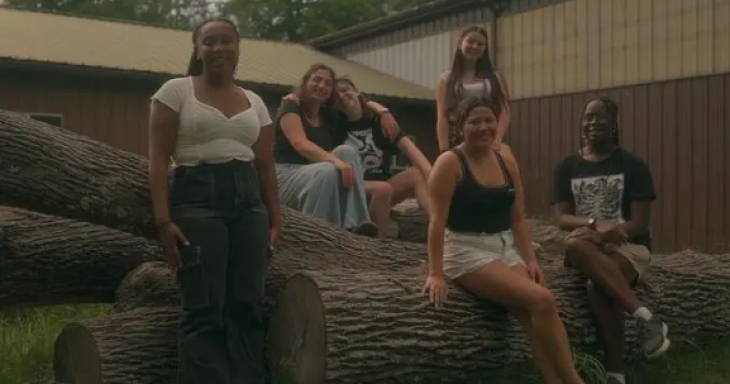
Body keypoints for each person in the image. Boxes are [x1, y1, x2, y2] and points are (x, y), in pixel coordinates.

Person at [147, 18, 281, 384]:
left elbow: (266, 166)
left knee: (247, 304)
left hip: (249, 202)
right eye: (209, 42)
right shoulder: (175, 91)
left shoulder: (255, 102)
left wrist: (275, 220)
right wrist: (163, 221)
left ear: (238, 47)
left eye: (225, 41)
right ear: (197, 48)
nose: (218, 48)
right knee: (205, 306)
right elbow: (158, 159)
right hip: (197, 198)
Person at [423, 95, 585, 384]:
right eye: (475, 122)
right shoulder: (450, 163)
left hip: (505, 247)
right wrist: (435, 273)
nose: (484, 127)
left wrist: (530, 258)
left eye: (489, 120)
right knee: (542, 299)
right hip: (465, 251)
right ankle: (575, 381)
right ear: (461, 126)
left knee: (531, 314)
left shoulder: (505, 158)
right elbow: (436, 223)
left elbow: (517, 219)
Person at [551, 97, 670, 384]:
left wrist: (611, 233)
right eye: (588, 118)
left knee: (598, 287)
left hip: (630, 246)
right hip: (587, 245)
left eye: (600, 118)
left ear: (613, 124)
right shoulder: (567, 165)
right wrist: (595, 226)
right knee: (574, 244)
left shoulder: (633, 165)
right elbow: (562, 218)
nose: (593, 124)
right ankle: (646, 319)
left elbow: (640, 222)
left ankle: (615, 375)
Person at [274, 63, 378, 236]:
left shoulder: (328, 115)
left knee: (347, 152)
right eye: (317, 80)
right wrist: (336, 162)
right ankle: (317, 235)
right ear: (305, 82)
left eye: (328, 84)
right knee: (328, 170)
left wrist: (384, 112)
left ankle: (357, 224)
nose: (322, 86)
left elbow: (356, 107)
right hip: (283, 175)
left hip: (315, 174)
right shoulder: (290, 106)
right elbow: (301, 144)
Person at [332, 77, 432, 235]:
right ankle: (381, 244)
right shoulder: (334, 126)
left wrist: (436, 179)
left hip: (385, 188)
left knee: (416, 174)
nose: (342, 96)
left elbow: (413, 153)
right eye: (336, 96)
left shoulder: (380, 122)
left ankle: (440, 226)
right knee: (382, 189)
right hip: (354, 189)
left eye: (345, 90)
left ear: (357, 92)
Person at [436, 25, 511, 153]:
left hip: (488, 138)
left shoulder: (495, 77)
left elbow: (505, 110)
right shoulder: (446, 79)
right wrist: (444, 147)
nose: (475, 46)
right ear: (460, 43)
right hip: (458, 140)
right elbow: (442, 116)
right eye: (470, 41)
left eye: (480, 44)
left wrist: (498, 138)